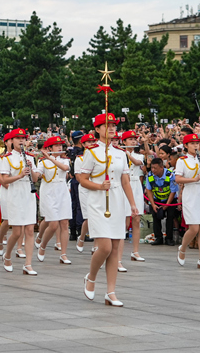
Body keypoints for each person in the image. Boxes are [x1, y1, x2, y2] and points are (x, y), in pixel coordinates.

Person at [77, 113, 139, 307]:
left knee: (115, 248)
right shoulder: (91, 151)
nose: (112, 128)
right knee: (104, 247)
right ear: (97, 129)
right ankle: (91, 277)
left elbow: (125, 181)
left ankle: (110, 292)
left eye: (113, 125)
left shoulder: (120, 153)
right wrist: (98, 186)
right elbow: (82, 179)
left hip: (117, 200)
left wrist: (132, 204)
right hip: (98, 201)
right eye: (106, 125)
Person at [0, 128, 41, 275]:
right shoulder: (5, 158)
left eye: (23, 138)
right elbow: (3, 180)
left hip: (28, 193)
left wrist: (30, 169)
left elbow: (35, 178)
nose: (21, 141)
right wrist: (20, 175)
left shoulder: (30, 157)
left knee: (29, 229)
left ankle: (28, 264)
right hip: (15, 193)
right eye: (18, 138)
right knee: (16, 232)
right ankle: (7, 255)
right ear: (12, 140)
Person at [174, 134, 200, 269]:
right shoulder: (182, 160)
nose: (195, 146)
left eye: (197, 143)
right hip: (190, 193)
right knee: (194, 228)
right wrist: (195, 179)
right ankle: (183, 248)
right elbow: (178, 179)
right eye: (192, 143)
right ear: (186, 146)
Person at [35, 136, 73, 265]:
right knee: (53, 224)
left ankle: (63, 254)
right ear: (50, 148)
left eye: (60, 145)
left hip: (62, 191)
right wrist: (31, 169)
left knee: (64, 223)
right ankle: (43, 246)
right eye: (56, 146)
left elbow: (65, 168)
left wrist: (51, 158)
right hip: (49, 193)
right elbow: (36, 176)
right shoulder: (42, 162)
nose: (59, 147)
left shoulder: (65, 160)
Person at [120, 131, 146, 262]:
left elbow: (137, 163)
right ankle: (117, 255)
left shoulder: (138, 155)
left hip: (136, 185)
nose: (133, 141)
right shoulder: (119, 155)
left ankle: (135, 251)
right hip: (123, 185)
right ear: (124, 142)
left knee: (136, 219)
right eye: (130, 139)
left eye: (134, 139)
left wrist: (127, 153)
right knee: (123, 221)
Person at [145, 158, 175, 245]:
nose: (153, 170)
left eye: (155, 168)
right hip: (157, 198)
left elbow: (173, 191)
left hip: (170, 199)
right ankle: (158, 237)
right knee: (155, 216)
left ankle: (169, 238)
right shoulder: (150, 175)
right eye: (152, 168)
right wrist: (153, 204)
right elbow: (149, 190)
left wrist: (167, 205)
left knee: (170, 217)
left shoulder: (170, 175)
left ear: (162, 167)